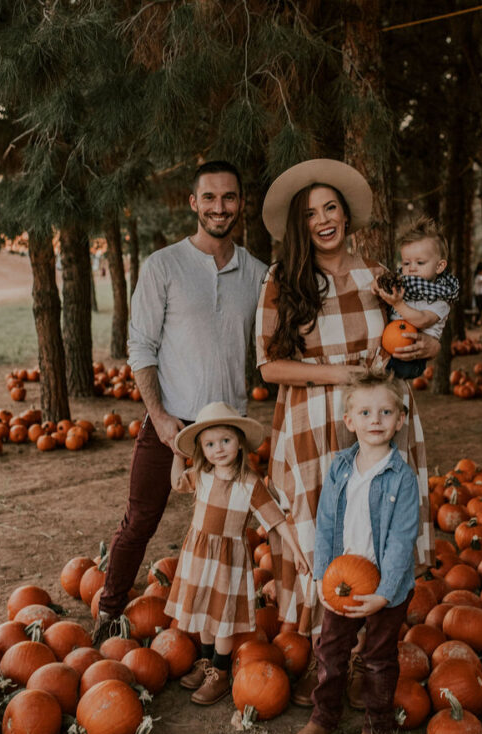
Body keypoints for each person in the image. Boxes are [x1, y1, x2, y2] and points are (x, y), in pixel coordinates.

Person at [255, 158, 437, 705]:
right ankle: (329, 658)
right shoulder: (283, 279)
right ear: (299, 224)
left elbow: (407, 336)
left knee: (375, 526)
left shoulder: (379, 274)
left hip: (376, 419)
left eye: (330, 207)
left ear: (346, 214)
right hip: (312, 422)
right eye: (310, 213)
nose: (323, 219)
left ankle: (370, 653)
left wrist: (423, 349)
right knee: (320, 529)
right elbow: (268, 366)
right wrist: (339, 374)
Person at [93, 161, 268, 645]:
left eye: (228, 197)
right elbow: (142, 348)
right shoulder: (163, 266)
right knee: (140, 520)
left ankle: (215, 636)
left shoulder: (256, 274)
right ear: (193, 203)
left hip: (226, 430)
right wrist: (160, 415)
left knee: (224, 534)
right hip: (168, 419)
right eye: (209, 197)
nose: (219, 206)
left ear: (240, 203)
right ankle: (109, 609)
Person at [290, 371, 418, 734]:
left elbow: (401, 540)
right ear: (350, 421)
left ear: (399, 420)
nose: (375, 420)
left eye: (384, 411)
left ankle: (378, 726)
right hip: (342, 583)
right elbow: (326, 526)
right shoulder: (339, 468)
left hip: (386, 589)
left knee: (378, 659)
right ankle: (324, 716)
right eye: (365, 412)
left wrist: (384, 595)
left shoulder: (404, 478)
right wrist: (321, 578)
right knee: (329, 651)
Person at [163, 402, 308, 705]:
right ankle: (205, 661)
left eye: (225, 441)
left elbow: (276, 520)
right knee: (203, 611)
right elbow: (178, 483)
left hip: (229, 560)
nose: (219, 449)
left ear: (239, 443)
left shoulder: (250, 484)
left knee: (222, 618)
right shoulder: (201, 475)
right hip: (200, 555)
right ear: (201, 449)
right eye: (210, 444)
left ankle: (220, 671)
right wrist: (177, 454)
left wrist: (296, 551)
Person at [373, 216, 459, 379]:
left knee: (383, 379)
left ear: (440, 266)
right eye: (406, 263)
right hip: (390, 344)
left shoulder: (440, 298)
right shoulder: (406, 284)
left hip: (412, 356)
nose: (411, 269)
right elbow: (381, 284)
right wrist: (377, 284)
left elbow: (422, 320)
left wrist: (398, 304)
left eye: (420, 263)